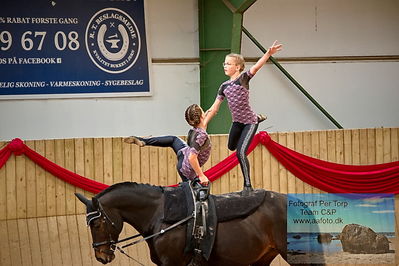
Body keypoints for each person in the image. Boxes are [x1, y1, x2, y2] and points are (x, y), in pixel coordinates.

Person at [207, 40, 282, 194]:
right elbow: (215, 107)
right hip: (237, 122)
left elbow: (256, 67)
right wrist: (204, 123)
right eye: (224, 64)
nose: (225, 66)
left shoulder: (243, 79)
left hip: (249, 122)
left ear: (238, 67)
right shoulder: (224, 87)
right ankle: (258, 117)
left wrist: (268, 53)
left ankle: (248, 186)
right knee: (231, 147)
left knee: (240, 152)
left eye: (228, 63)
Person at [124, 104, 217, 185]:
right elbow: (192, 157)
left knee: (173, 139)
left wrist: (220, 98)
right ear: (201, 116)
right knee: (191, 196)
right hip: (186, 169)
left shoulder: (195, 128)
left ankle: (144, 140)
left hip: (183, 153)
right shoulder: (201, 135)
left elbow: (212, 111)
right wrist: (201, 175)